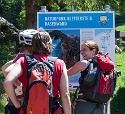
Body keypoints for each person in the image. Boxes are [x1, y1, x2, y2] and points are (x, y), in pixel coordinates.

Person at [3, 31, 71, 114]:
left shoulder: (23, 60)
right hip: (52, 110)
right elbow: (65, 95)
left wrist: (16, 103)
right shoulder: (59, 63)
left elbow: (7, 82)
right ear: (49, 44)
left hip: (28, 110)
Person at [2, 29, 38, 114]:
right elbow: (7, 72)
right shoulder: (28, 58)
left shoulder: (21, 57)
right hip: (23, 101)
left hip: (17, 99)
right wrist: (20, 85)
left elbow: (4, 69)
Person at [67, 40, 105, 114]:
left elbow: (67, 73)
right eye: (81, 50)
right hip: (100, 104)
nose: (81, 52)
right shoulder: (102, 64)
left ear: (93, 51)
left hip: (85, 105)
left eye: (84, 50)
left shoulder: (84, 63)